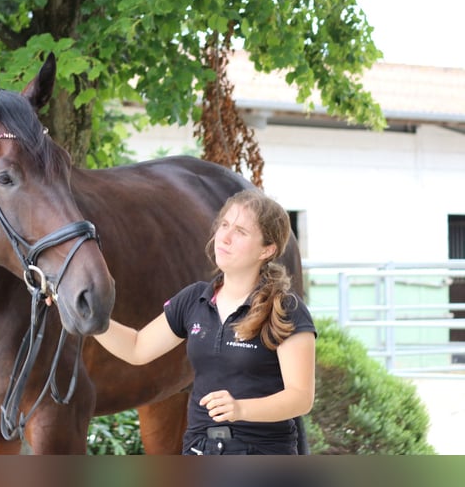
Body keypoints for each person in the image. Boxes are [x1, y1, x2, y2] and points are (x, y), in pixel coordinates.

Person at [92, 188, 317, 455]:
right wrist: (90, 316)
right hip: (200, 448)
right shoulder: (194, 299)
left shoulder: (286, 309)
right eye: (224, 225)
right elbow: (137, 348)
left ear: (267, 250)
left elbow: (300, 398)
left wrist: (241, 409)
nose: (225, 237)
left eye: (241, 232)